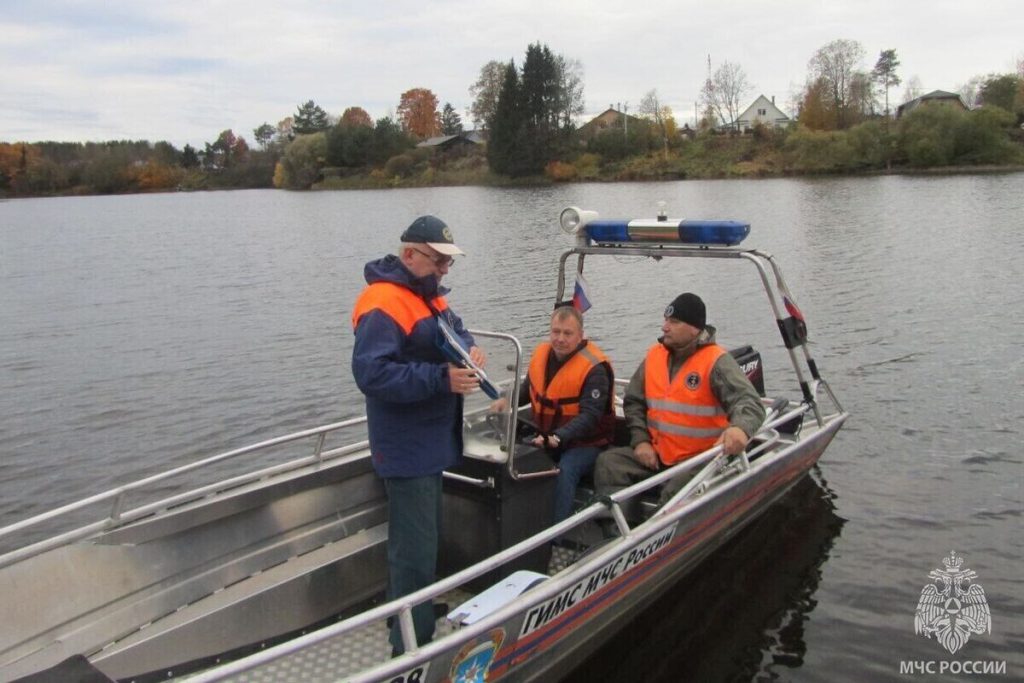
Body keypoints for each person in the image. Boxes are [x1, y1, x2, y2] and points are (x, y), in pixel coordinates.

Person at [350, 215, 485, 656]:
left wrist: (470, 348)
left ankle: (409, 609)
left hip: (430, 442)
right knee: (415, 549)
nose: (445, 269)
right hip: (406, 447)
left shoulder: (428, 297)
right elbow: (372, 374)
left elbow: (455, 330)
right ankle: (410, 646)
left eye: (449, 262)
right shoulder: (383, 303)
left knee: (419, 541)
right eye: (438, 260)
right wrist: (439, 379)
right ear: (410, 254)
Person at [594, 293, 765, 519]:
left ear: (694, 329)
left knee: (677, 491)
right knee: (608, 464)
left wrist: (740, 428)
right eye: (665, 320)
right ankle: (616, 530)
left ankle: (656, 539)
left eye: (674, 322)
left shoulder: (716, 362)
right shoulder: (654, 356)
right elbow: (633, 400)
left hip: (701, 460)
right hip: (658, 452)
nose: (665, 327)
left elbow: (750, 403)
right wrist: (641, 441)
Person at [494, 305, 615, 530]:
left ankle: (555, 536)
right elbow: (527, 390)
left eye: (567, 333)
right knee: (512, 458)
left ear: (580, 335)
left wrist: (558, 437)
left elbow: (590, 416)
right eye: (555, 332)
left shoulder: (595, 369)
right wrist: (506, 400)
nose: (560, 339)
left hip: (586, 443)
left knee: (565, 471)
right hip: (545, 435)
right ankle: (514, 526)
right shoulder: (541, 355)